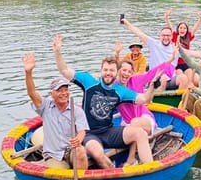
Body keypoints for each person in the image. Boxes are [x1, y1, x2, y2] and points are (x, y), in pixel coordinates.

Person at [52, 33, 155, 168]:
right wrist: (58, 52)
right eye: (105, 70)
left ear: (116, 72)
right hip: (89, 133)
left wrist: (152, 84)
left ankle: (149, 169)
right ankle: (115, 174)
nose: (108, 73)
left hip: (108, 131)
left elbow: (144, 99)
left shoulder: (120, 91)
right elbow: (64, 70)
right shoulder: (89, 81)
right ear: (101, 71)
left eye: (111, 70)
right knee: (98, 153)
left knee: (140, 133)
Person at [22, 52, 88, 170]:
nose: (64, 93)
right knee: (57, 172)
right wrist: (28, 73)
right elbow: (32, 93)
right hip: (54, 155)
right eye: (59, 90)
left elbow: (82, 131)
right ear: (51, 94)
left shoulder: (76, 110)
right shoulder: (46, 107)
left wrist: (78, 140)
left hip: (71, 151)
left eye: (66, 90)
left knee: (81, 151)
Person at [122, 17, 189, 91]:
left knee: (184, 78)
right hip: (156, 78)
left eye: (168, 35)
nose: (166, 37)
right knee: (163, 78)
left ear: (171, 37)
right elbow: (139, 33)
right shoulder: (154, 44)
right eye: (163, 35)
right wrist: (126, 23)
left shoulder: (175, 48)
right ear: (160, 36)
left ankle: (179, 100)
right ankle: (156, 97)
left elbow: (194, 54)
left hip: (170, 79)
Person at [164, 8, 201, 85]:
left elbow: (195, 28)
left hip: (186, 63)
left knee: (190, 79)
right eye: (181, 28)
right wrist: (166, 17)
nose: (182, 29)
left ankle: (191, 92)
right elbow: (169, 26)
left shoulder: (188, 37)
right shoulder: (174, 36)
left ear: (186, 30)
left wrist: (200, 19)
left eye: (184, 28)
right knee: (181, 76)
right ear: (178, 29)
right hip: (177, 64)